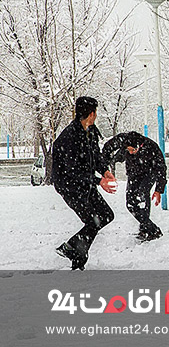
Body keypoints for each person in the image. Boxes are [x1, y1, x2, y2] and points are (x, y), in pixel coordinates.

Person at [52, 96, 117, 270]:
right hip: (69, 185)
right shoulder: (69, 137)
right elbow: (72, 171)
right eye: (95, 112)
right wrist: (98, 181)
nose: (96, 116)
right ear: (91, 114)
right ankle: (76, 256)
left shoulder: (91, 131)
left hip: (84, 181)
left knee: (105, 215)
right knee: (92, 221)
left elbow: (95, 156)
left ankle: (73, 249)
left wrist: (104, 171)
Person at [102, 131, 166, 242]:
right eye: (128, 150)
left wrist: (159, 190)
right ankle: (148, 227)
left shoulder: (151, 147)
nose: (131, 153)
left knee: (142, 194)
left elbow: (161, 169)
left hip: (149, 173)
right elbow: (107, 147)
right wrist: (104, 166)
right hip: (133, 174)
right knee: (130, 203)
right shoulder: (123, 140)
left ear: (139, 146)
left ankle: (148, 229)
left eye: (133, 150)